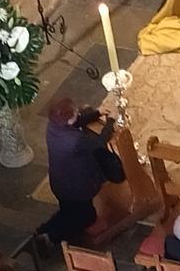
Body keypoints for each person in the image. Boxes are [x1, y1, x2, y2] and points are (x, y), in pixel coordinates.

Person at [36, 97, 124, 247]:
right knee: (85, 217)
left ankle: (43, 231)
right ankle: (51, 237)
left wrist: (97, 113)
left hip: (60, 182)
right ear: (69, 120)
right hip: (77, 187)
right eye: (75, 113)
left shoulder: (53, 126)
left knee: (68, 211)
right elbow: (99, 143)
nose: (78, 113)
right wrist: (110, 122)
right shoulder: (75, 140)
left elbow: (75, 122)